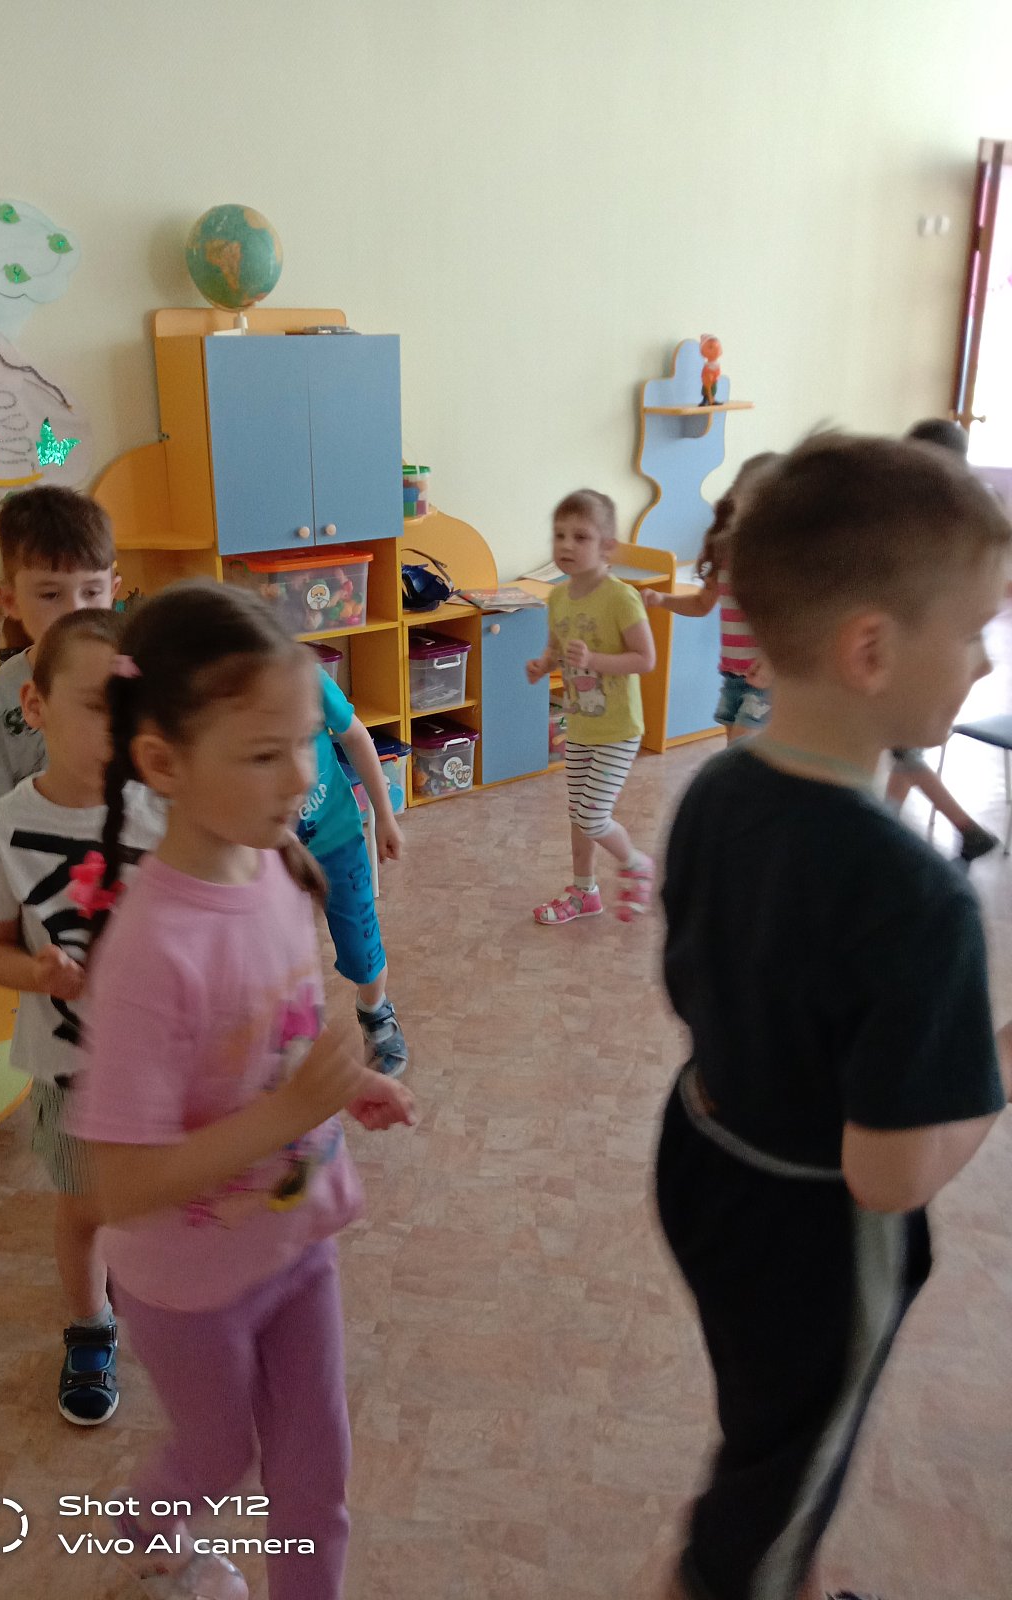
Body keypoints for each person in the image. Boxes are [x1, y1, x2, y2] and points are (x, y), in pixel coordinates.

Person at [654, 434, 1012, 1600]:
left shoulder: (714, 788)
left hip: (700, 1156)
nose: (987, 659)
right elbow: (891, 1176)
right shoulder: (918, 901)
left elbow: (689, 982)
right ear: (871, 649)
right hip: (812, 1233)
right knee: (784, 1472)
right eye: (976, 630)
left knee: (764, 1421)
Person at [66, 580, 416, 1600]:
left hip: (296, 1242)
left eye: (304, 742)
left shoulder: (277, 869)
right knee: (218, 1456)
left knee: (316, 1476)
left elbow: (275, 1039)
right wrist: (286, 1114)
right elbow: (123, 1185)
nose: (302, 775)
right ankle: (145, 1529)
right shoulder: (148, 952)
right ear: (164, 763)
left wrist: (340, 1088)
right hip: (189, 1285)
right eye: (265, 754)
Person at [0, 610, 164, 1425]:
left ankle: (156, 1290)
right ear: (35, 707)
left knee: (164, 1196)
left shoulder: (165, 812)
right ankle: (90, 1326)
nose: (119, 728)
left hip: (164, 1063)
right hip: (71, 1067)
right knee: (83, 1208)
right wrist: (36, 972)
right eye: (96, 705)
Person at [525, 488, 656, 924]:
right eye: (559, 535)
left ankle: (635, 863)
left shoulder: (621, 598)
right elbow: (555, 648)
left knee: (593, 816)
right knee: (577, 816)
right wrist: (543, 664)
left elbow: (645, 659)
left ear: (607, 547)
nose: (566, 545)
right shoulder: (558, 598)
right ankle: (585, 893)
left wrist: (594, 660)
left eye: (580, 537)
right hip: (580, 726)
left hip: (618, 730)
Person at [884, 418, 1000, 865]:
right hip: (939, 647)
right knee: (904, 746)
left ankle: (967, 829)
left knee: (904, 746)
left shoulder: (951, 518)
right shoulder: (943, 512)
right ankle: (893, 826)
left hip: (935, 650)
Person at [0, 485, 119, 807]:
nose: (75, 611)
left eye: (92, 592)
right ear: (11, 601)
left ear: (113, 592)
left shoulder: (132, 674)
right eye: (51, 595)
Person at [297, 663, 409, 1075]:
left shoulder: (305, 676)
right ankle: (293, 1035)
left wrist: (384, 816)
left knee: (363, 947)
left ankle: (375, 1010)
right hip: (269, 856)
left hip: (338, 839)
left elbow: (356, 736)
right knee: (283, 954)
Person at [641, 454, 779, 740]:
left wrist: (770, 661)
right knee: (736, 750)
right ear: (736, 500)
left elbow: (791, 620)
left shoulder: (777, 564)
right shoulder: (725, 556)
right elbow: (701, 604)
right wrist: (662, 600)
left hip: (767, 678)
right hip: (733, 675)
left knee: (741, 751)